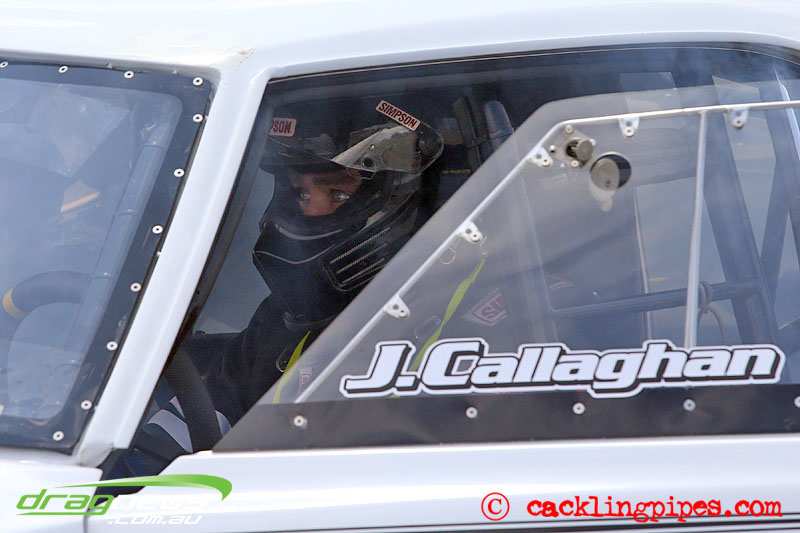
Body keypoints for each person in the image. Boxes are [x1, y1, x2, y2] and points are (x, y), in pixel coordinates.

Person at [107, 107, 446, 476]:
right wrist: (109, 485)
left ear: (397, 199)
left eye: (337, 194)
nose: (311, 213)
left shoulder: (464, 320)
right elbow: (177, 435)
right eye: (300, 193)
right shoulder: (280, 321)